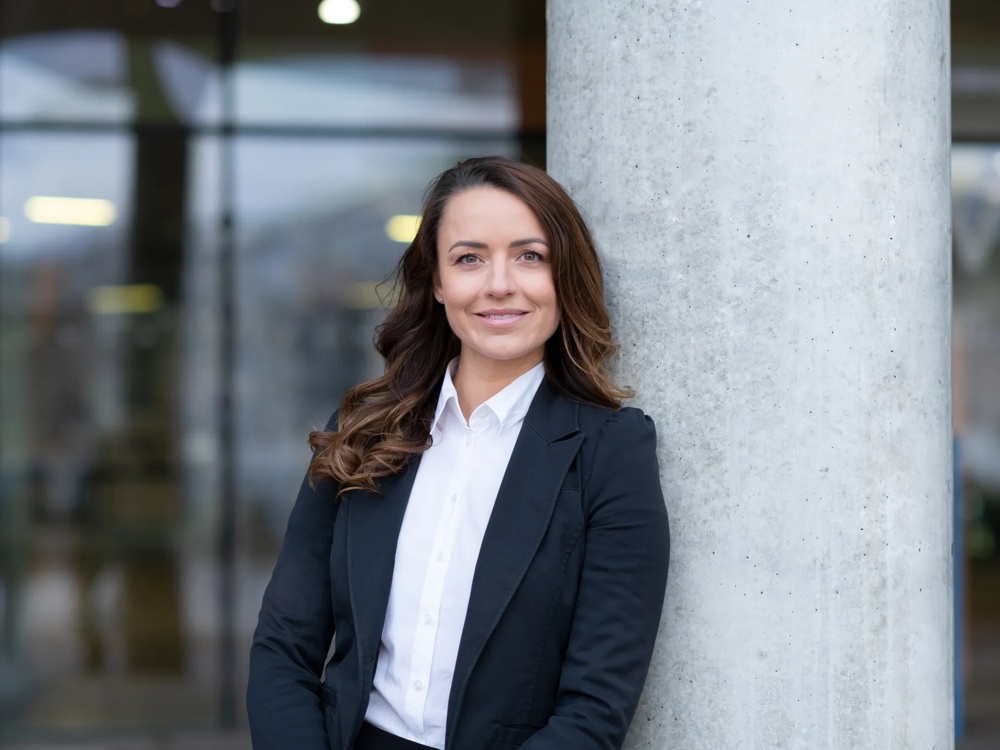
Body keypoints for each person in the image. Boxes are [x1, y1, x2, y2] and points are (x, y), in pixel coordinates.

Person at [247, 156, 670, 750]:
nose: (499, 283)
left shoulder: (611, 451)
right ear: (439, 281)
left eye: (530, 255)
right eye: (469, 258)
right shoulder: (364, 432)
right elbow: (283, 647)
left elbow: (595, 709)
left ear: (563, 276)